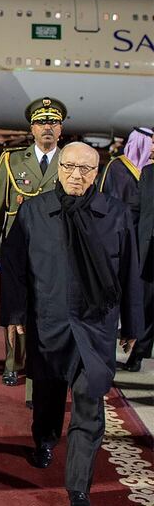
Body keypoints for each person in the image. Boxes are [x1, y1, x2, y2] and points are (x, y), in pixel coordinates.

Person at [0, 142, 143, 506]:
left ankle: (79, 486)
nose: (76, 175)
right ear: (59, 167)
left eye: (86, 169)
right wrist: (14, 316)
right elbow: (14, 269)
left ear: (97, 173)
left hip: (95, 329)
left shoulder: (115, 214)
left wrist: (133, 322)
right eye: (70, 167)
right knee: (47, 396)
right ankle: (44, 438)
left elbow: (130, 270)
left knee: (88, 405)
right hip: (48, 323)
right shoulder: (33, 211)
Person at [0, 97, 66, 404]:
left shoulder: (69, 161)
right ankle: (12, 362)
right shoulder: (12, 160)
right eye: (42, 122)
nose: (48, 128)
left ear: (61, 129)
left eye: (53, 122)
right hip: (16, 250)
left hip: (55, 253)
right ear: (31, 128)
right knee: (15, 311)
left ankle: (36, 373)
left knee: (45, 315)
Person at [103, 127, 154, 371]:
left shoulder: (149, 172)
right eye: (148, 142)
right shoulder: (117, 167)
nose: (151, 147)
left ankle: (137, 352)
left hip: (143, 247)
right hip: (119, 241)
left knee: (143, 301)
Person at [134, 163, 154, 371]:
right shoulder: (148, 173)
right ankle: (139, 352)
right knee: (146, 303)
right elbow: (137, 209)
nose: (152, 148)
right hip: (148, 250)